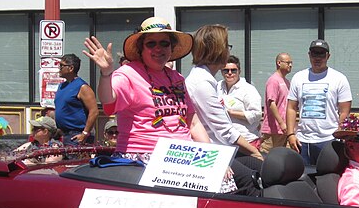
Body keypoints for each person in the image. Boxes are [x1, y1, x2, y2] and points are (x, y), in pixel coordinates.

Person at [83, 16, 208, 159]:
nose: (158, 48)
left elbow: (193, 123)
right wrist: (106, 74)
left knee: (229, 177)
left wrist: (214, 158)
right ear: (140, 48)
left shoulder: (176, 78)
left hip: (182, 154)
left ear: (171, 47)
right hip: (143, 154)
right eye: (151, 44)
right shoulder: (128, 73)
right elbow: (108, 98)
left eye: (164, 43)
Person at [185, 25, 263, 161]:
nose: (228, 50)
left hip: (226, 147)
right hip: (213, 153)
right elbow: (224, 130)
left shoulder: (206, 79)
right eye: (226, 46)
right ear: (217, 50)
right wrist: (255, 153)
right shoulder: (202, 83)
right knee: (253, 176)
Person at [285, 39, 352, 165]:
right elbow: (291, 107)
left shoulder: (339, 79)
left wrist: (340, 132)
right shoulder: (298, 77)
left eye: (321, 54)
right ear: (309, 55)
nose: (318, 58)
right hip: (302, 140)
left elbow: (344, 110)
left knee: (327, 177)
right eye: (315, 53)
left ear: (328, 56)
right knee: (302, 177)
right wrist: (290, 134)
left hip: (329, 139)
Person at [218, 55, 262, 148]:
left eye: (233, 70)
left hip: (247, 140)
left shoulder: (248, 89)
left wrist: (232, 113)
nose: (229, 73)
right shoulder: (217, 87)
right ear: (221, 72)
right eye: (226, 70)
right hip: (224, 140)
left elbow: (257, 114)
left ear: (239, 71)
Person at [54, 54, 99, 146]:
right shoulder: (61, 86)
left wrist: (85, 133)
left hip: (77, 135)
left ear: (71, 68)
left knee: (75, 160)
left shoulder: (82, 87)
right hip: (63, 135)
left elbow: (94, 111)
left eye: (62, 66)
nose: (59, 68)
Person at [260, 52, 292, 152]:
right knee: (267, 157)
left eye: (291, 63)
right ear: (279, 63)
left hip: (285, 130)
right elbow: (271, 103)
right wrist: (281, 123)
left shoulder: (286, 82)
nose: (290, 65)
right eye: (287, 63)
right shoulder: (273, 80)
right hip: (273, 130)